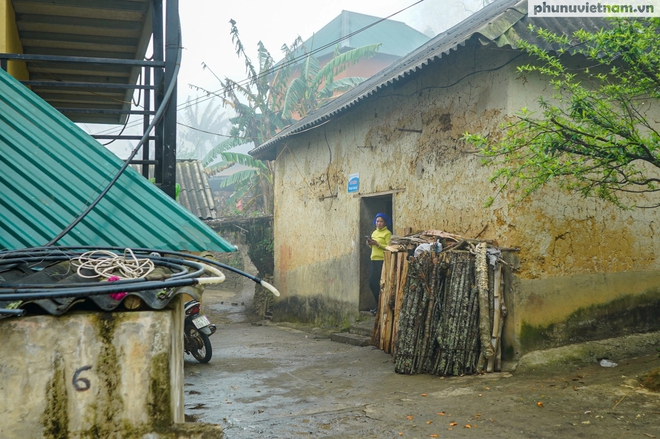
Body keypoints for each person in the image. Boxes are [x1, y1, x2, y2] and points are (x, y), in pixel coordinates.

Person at [365, 213, 392, 315]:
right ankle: (378, 305)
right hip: (374, 260)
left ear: (385, 223)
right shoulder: (374, 232)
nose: (379, 223)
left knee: (382, 284)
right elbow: (373, 248)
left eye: (381, 221)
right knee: (372, 284)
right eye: (377, 221)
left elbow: (389, 247)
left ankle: (381, 307)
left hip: (383, 260)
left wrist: (378, 244)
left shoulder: (387, 233)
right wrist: (370, 244)